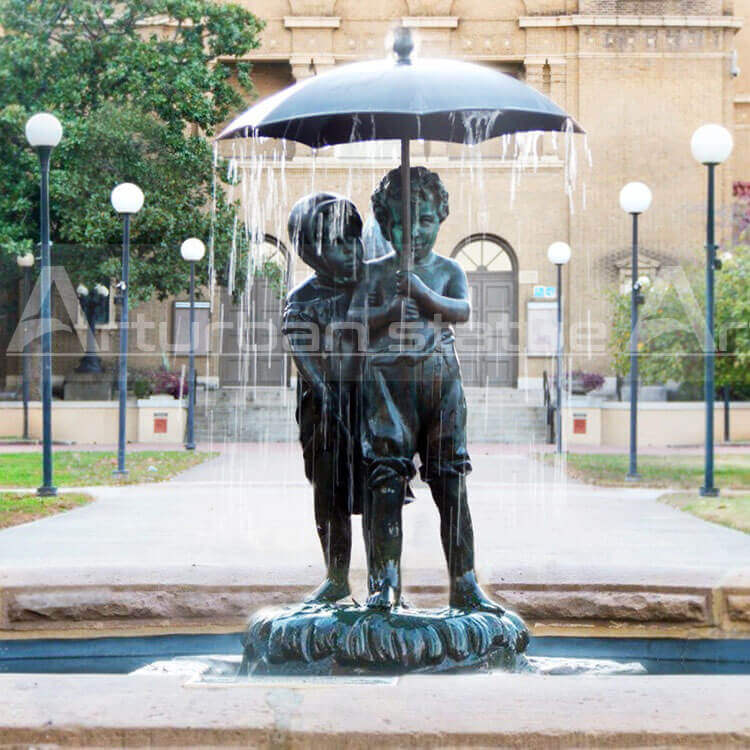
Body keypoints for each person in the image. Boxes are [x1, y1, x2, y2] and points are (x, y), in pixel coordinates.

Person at [349, 166, 502, 613]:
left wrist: (422, 294)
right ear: (383, 221)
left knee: (452, 483)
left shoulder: (448, 269)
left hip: (440, 384)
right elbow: (355, 321)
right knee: (385, 485)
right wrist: (390, 307)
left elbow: (462, 310)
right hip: (387, 387)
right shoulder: (374, 273)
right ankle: (385, 584)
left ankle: (466, 581)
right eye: (399, 220)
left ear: (441, 218)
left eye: (425, 220)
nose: (413, 231)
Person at [283, 192, 365, 603]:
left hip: (374, 402)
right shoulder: (302, 300)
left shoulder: (375, 287)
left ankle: (387, 579)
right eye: (336, 242)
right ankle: (337, 575)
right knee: (330, 491)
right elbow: (307, 363)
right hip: (325, 410)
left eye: (354, 238)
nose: (351, 250)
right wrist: (334, 402)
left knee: (380, 488)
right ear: (311, 251)